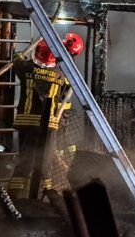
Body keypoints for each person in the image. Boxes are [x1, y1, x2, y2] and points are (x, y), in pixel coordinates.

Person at [7, 33, 84, 199]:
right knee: (45, 164)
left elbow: (16, 58)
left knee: (24, 161)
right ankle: (45, 197)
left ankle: (13, 198)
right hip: (49, 125)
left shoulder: (27, 68)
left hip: (26, 122)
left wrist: (19, 54)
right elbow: (65, 97)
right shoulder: (60, 74)